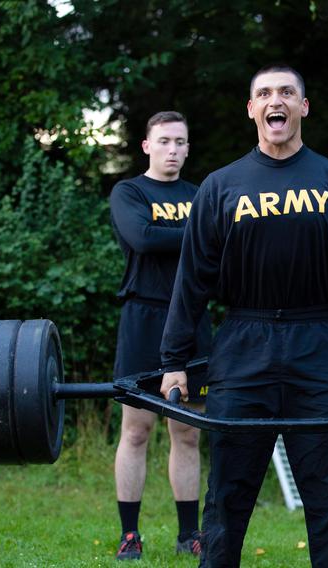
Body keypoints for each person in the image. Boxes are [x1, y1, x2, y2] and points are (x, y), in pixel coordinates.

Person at [159, 64, 328, 568]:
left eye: (288, 92)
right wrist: (174, 359)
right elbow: (192, 282)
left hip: (319, 343)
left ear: (303, 107)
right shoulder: (221, 186)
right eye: (265, 93)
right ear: (252, 110)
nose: (277, 101)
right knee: (227, 493)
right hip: (242, 343)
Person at [109, 112, 212, 560]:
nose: (173, 149)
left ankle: (189, 533)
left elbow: (221, 248)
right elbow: (143, 238)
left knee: (187, 432)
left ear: (189, 148)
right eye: (165, 141)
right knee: (136, 431)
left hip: (192, 319)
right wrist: (200, 234)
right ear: (147, 146)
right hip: (143, 317)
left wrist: (201, 236)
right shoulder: (129, 191)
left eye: (181, 142)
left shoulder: (200, 194)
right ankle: (129, 534)